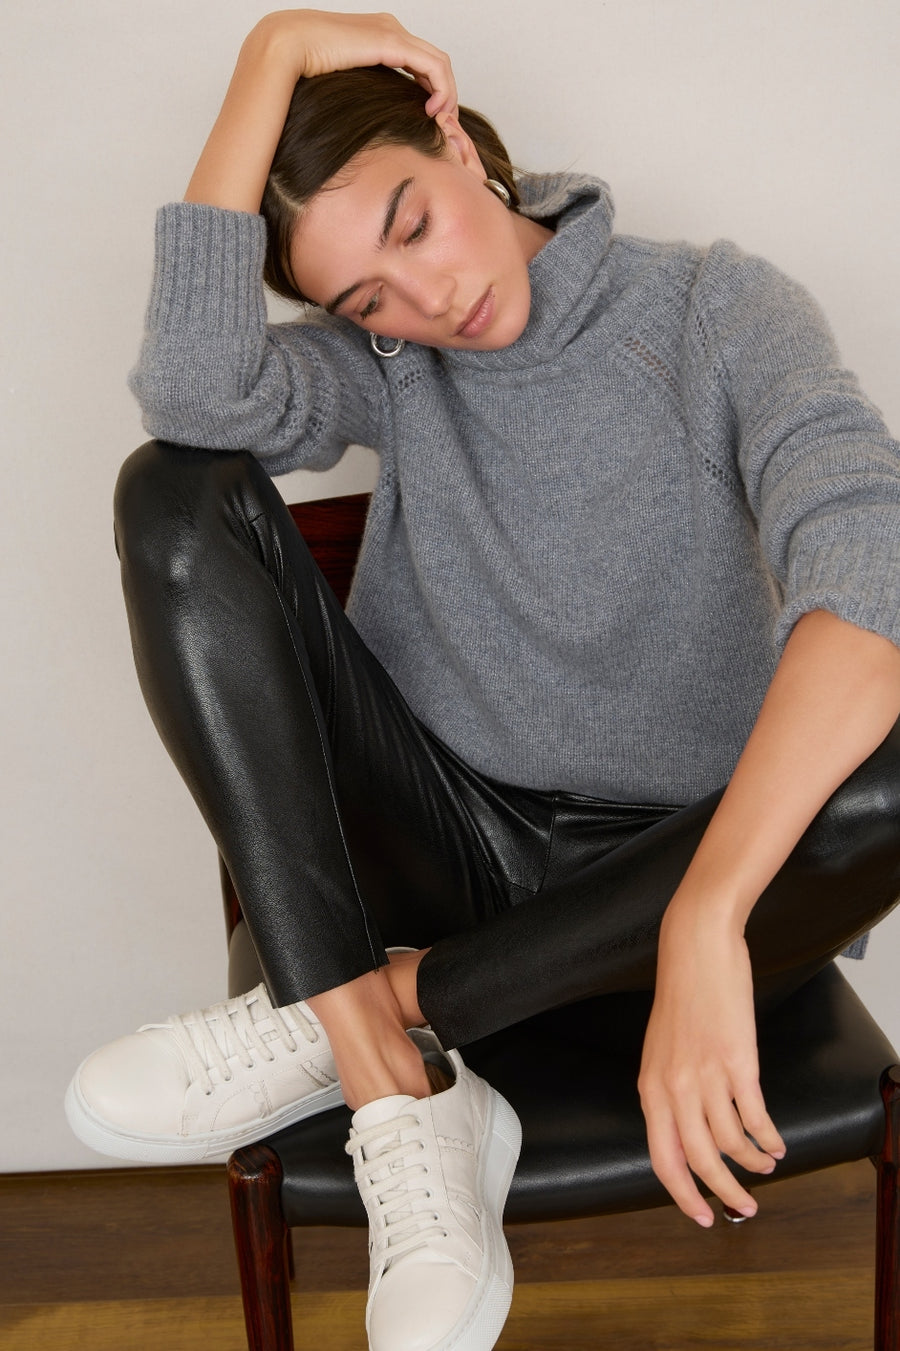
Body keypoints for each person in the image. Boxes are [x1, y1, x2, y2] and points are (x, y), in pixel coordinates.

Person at [65, 11, 900, 1351]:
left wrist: (704, 916)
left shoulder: (717, 309)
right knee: (169, 491)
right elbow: (193, 394)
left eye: (414, 225)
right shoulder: (395, 366)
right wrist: (271, 50)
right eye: (366, 299)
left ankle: (364, 1014)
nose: (427, 300)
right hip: (449, 850)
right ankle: (395, 1076)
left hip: (683, 885)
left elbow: (873, 576)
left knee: (889, 756)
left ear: (457, 141)